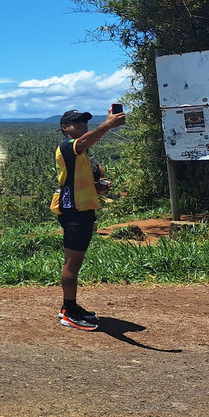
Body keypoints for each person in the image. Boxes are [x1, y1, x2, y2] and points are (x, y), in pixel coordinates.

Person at [51, 106, 125, 330]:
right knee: (72, 264)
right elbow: (82, 143)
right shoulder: (67, 146)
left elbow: (81, 181)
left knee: (76, 262)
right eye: (77, 124)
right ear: (65, 128)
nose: (82, 126)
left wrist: (97, 188)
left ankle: (71, 307)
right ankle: (68, 311)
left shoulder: (81, 155)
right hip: (74, 211)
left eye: (85, 123)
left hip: (83, 210)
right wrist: (108, 125)